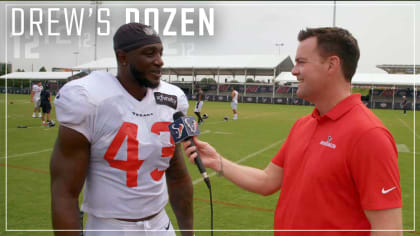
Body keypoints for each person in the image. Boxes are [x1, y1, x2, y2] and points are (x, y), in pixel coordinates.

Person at [183, 27, 402, 235]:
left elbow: (388, 230)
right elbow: (267, 180)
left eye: (301, 62)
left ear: (332, 64)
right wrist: (218, 162)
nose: (294, 70)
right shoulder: (303, 125)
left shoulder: (369, 135)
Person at [50, 23, 193, 236]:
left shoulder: (174, 99)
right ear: (122, 57)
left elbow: (177, 174)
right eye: (149, 53)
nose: (159, 61)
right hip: (109, 228)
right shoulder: (87, 98)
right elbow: (64, 193)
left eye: (161, 53)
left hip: (160, 225)